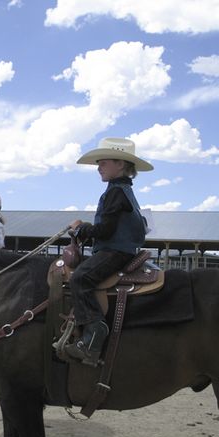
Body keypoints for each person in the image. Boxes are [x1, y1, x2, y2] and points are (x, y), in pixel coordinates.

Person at [64, 137, 153, 366]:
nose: (98, 167)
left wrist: (82, 228)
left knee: (81, 278)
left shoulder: (116, 193)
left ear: (120, 165)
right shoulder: (121, 191)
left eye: (103, 163)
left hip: (115, 251)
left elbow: (106, 230)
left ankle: (94, 335)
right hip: (119, 249)